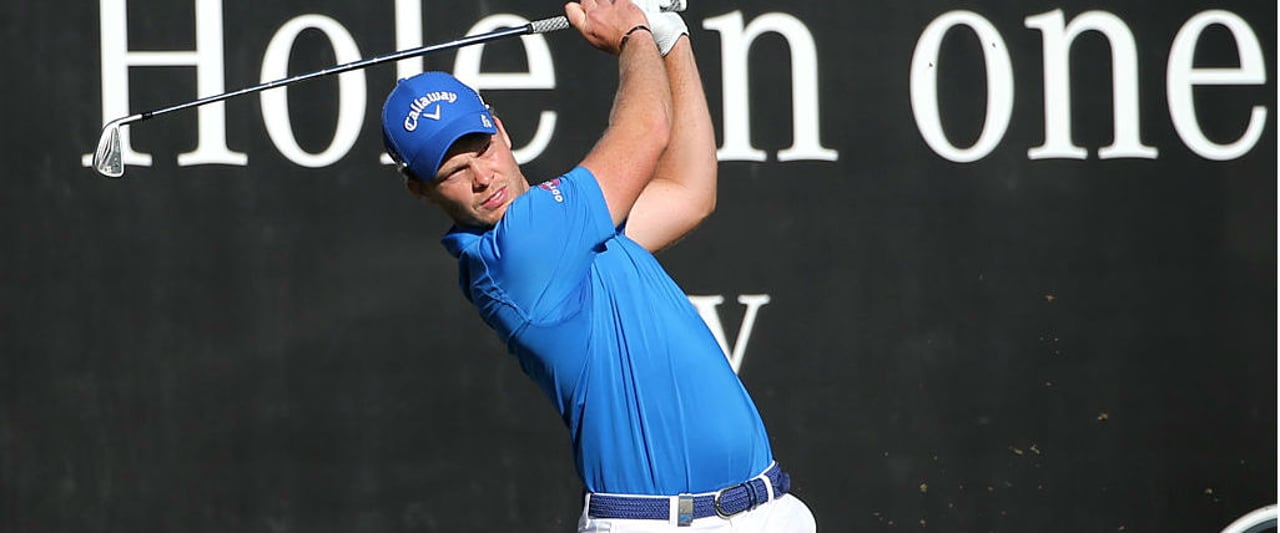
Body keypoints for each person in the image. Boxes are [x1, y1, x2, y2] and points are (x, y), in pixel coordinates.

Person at [380, 0, 816, 531]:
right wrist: (633, 29)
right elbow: (648, 127)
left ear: (501, 129)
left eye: (482, 147)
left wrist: (669, 35)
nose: (483, 177)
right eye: (453, 169)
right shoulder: (517, 251)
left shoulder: (573, 230)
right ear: (419, 190)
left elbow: (688, 191)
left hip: (767, 510)